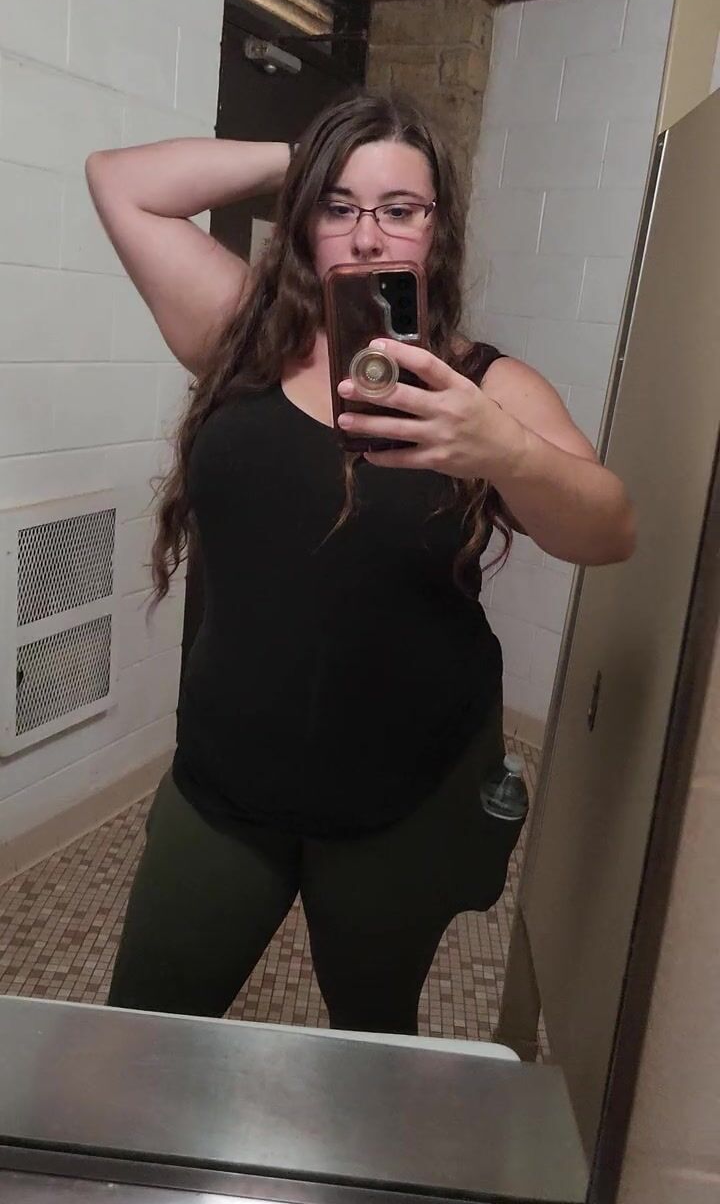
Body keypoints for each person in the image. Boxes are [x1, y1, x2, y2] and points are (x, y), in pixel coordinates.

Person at [86, 91, 635, 1033]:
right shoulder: (239, 335)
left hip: (408, 790)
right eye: (339, 207)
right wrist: (310, 155)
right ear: (305, 220)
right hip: (226, 779)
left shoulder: (483, 385)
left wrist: (498, 447)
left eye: (400, 209)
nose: (368, 234)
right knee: (144, 1028)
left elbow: (609, 530)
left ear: (438, 228)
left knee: (374, 1034)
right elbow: (121, 181)